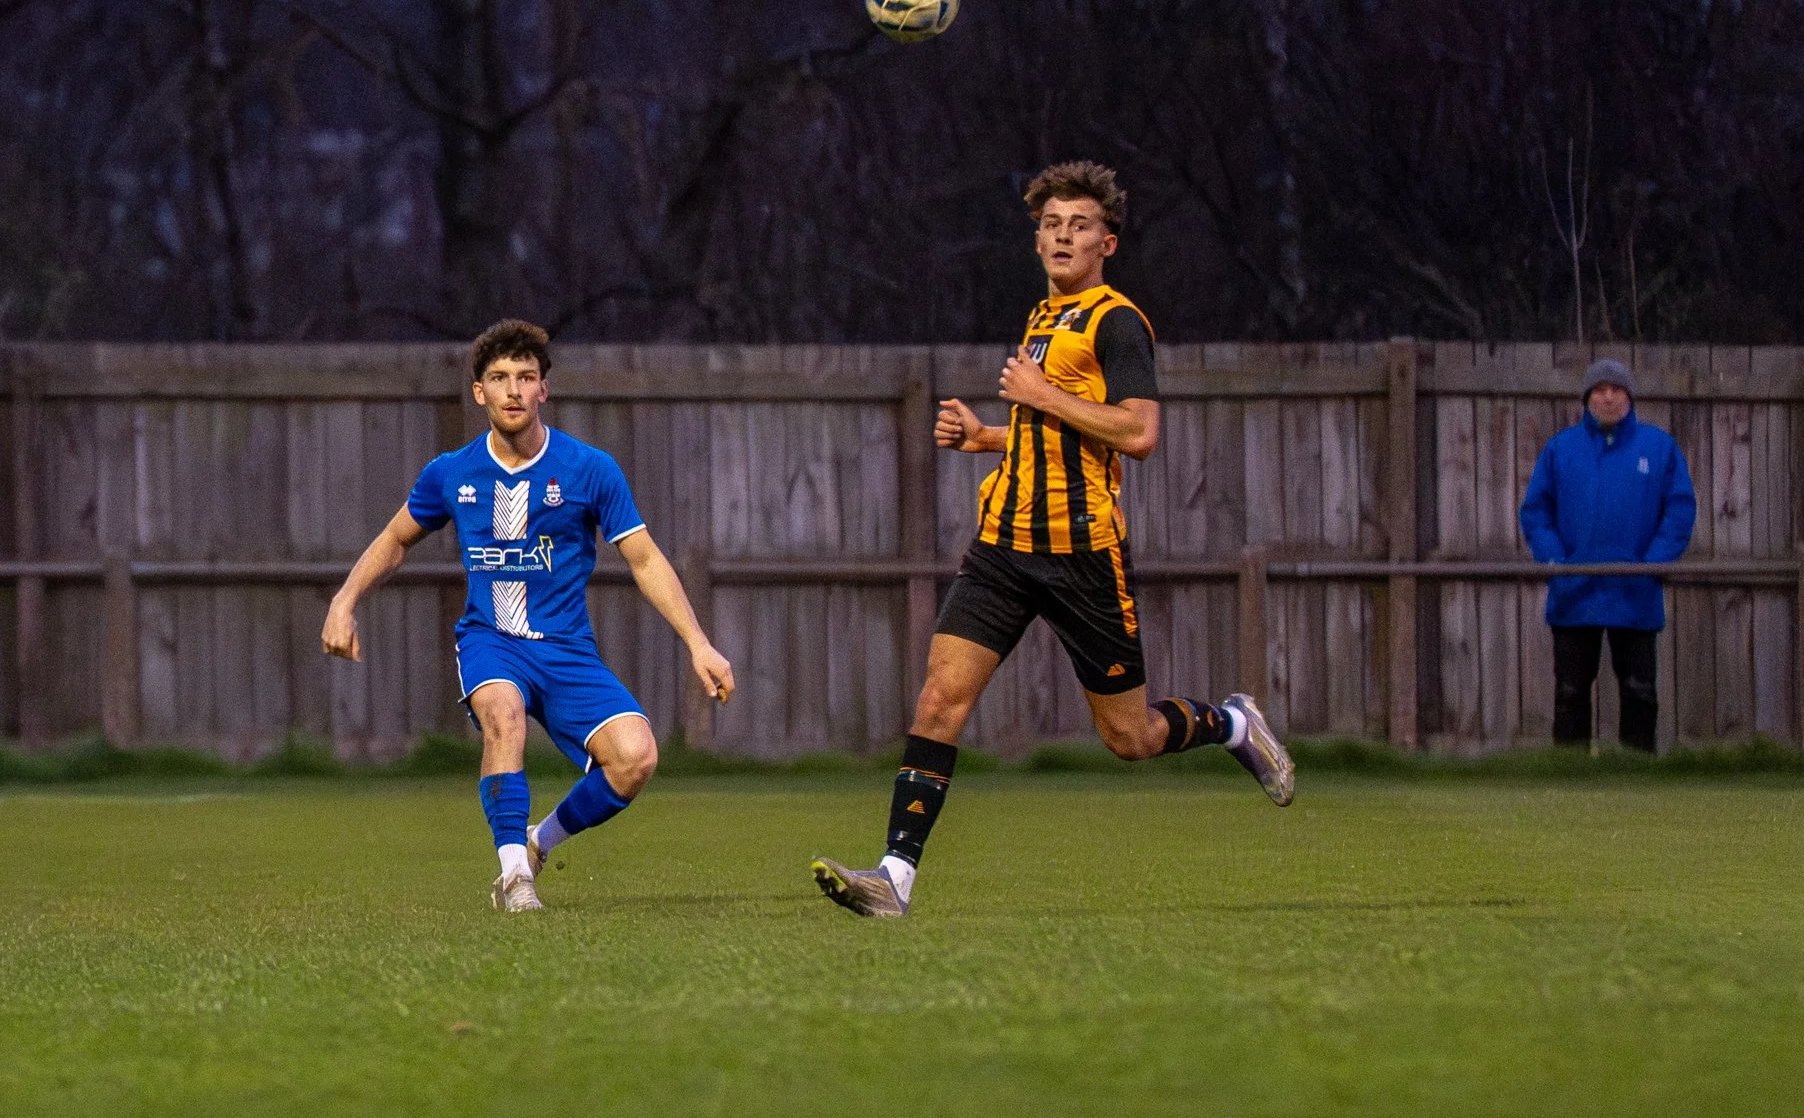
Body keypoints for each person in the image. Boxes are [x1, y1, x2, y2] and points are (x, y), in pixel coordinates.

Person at [809, 160, 1294, 919]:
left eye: (1080, 226)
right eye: (1051, 225)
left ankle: (1233, 723)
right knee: (939, 698)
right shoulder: (1043, 319)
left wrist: (1041, 394)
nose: (1063, 236)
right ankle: (894, 879)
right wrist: (986, 436)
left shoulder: (1116, 322)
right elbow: (1051, 435)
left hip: (1082, 555)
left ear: (1108, 243)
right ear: (1036, 240)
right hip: (1002, 548)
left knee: (1129, 736)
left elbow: (1138, 433)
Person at [321, 320, 736, 912]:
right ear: (479, 392)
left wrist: (699, 643)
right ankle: (514, 875)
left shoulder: (590, 469)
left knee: (636, 758)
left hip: (567, 649)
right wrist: (344, 601)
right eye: (499, 378)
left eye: (525, 376)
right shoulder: (451, 473)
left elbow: (644, 559)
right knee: (504, 713)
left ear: (544, 388)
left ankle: (540, 841)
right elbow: (395, 538)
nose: (513, 389)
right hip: (491, 640)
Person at [1518, 358, 1696, 753]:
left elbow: (1680, 510)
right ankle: (1570, 773)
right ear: (1586, 399)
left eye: (1616, 390)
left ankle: (1636, 771)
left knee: (1639, 692)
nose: (1608, 397)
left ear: (1630, 397)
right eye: (1599, 390)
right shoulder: (1561, 449)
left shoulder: (1658, 448)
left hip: (1635, 593)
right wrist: (1556, 563)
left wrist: (1653, 564)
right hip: (1574, 594)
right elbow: (1536, 512)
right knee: (1570, 693)